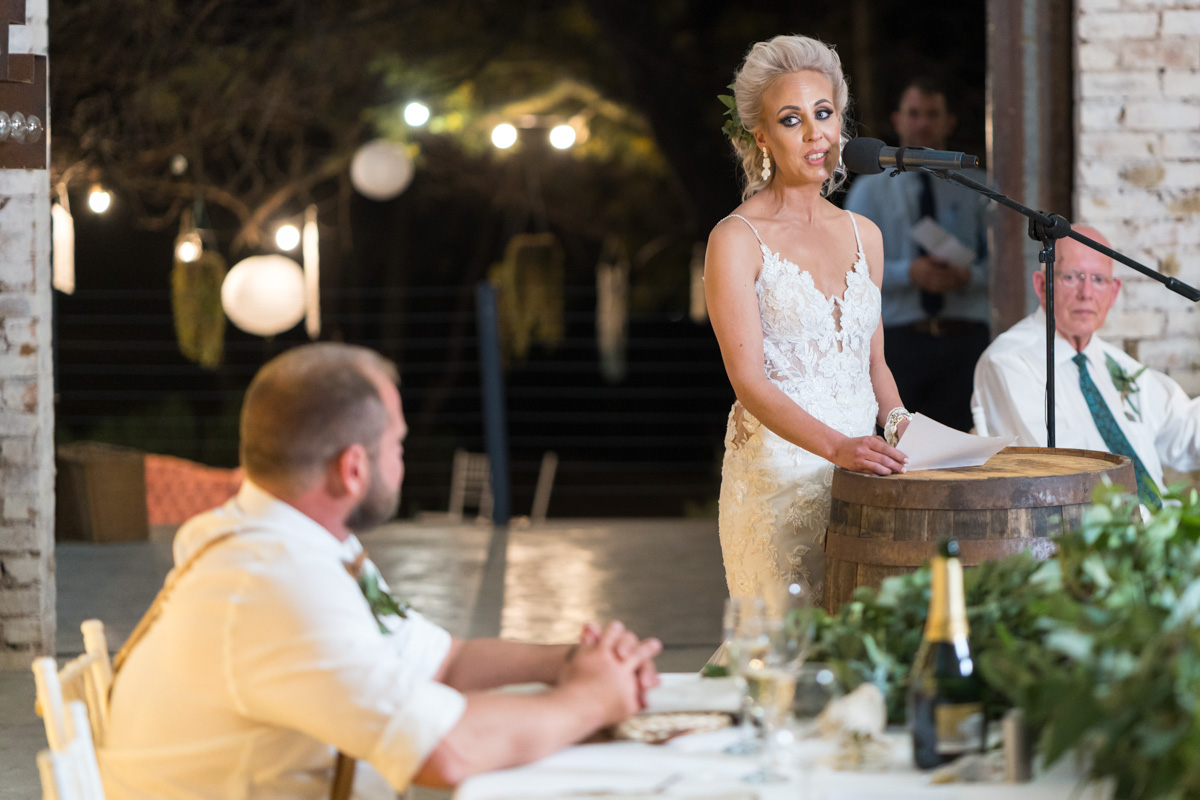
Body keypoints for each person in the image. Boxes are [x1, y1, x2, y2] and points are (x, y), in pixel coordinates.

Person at [100, 343, 662, 799]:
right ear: (352, 468)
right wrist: (590, 701)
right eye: (397, 443)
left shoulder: (297, 545)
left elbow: (446, 662)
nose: (402, 458)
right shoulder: (272, 580)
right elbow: (445, 753)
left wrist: (575, 662)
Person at [705, 35, 910, 607]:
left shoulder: (865, 234)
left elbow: (873, 363)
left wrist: (899, 425)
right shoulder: (736, 239)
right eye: (792, 120)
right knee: (784, 647)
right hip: (779, 481)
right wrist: (837, 447)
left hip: (861, 478)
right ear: (761, 137)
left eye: (824, 114)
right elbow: (749, 381)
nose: (816, 133)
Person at [972, 227, 1200, 506]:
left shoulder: (1121, 366)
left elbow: (1184, 433)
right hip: (1084, 528)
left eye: (1099, 279)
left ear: (1114, 292)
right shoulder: (1009, 361)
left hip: (1162, 523)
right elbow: (1060, 477)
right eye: (1071, 277)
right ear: (1042, 285)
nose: (1087, 293)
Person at [844, 78, 990, 431]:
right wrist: (908, 272)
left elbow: (1009, 263)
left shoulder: (978, 187)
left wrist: (969, 276)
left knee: (960, 445)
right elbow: (849, 269)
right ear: (897, 120)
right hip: (897, 341)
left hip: (964, 337)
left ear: (949, 122)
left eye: (932, 114)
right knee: (896, 445)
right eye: (914, 113)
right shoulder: (868, 191)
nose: (923, 123)